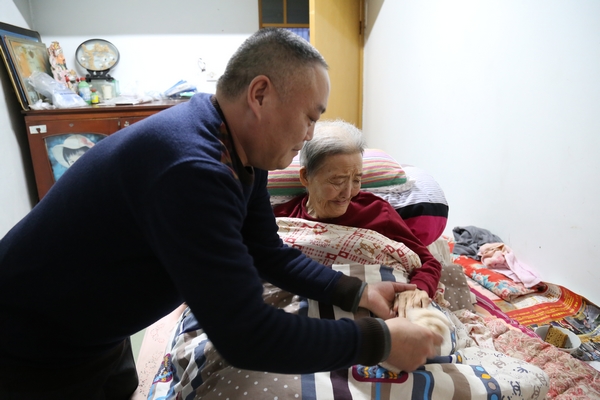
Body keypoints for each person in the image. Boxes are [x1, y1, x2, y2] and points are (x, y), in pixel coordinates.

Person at [0, 28, 441, 399]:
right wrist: (380, 341)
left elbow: (266, 251)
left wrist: (357, 293)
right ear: (260, 94)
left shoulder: (242, 151)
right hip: (33, 344)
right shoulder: (192, 168)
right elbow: (246, 335)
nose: (310, 134)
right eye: (309, 117)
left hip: (99, 330)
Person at [273, 119, 443, 315]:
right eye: (338, 181)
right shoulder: (282, 220)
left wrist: (418, 290)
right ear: (305, 177)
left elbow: (428, 262)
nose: (348, 193)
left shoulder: (376, 211)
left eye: (356, 180)